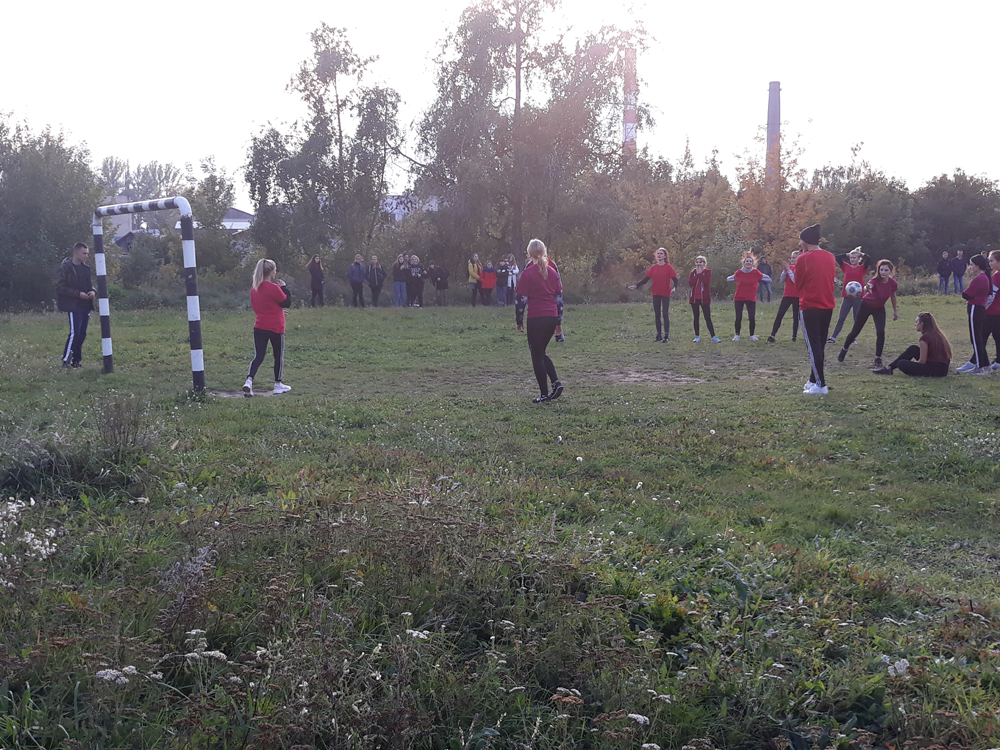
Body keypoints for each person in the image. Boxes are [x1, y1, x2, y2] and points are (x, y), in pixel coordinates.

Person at [788, 223, 836, 395]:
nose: (799, 244)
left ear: (805, 241)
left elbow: (798, 284)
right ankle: (813, 379)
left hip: (809, 306)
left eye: (800, 240)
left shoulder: (804, 258)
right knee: (819, 344)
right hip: (827, 305)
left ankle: (821, 385)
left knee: (813, 345)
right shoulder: (830, 256)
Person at [515, 239, 564, 403]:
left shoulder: (527, 274)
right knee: (541, 352)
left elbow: (520, 300)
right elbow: (559, 299)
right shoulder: (553, 272)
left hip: (536, 317)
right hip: (551, 317)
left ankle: (544, 394)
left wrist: (519, 320)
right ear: (544, 252)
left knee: (536, 355)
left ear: (529, 254)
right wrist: (559, 323)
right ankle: (556, 383)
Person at [835, 259, 899, 368]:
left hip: (879, 309)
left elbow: (893, 296)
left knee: (880, 332)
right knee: (855, 331)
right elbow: (869, 285)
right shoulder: (874, 280)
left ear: (890, 271)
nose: (883, 272)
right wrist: (867, 287)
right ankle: (844, 349)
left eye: (886, 270)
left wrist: (895, 312)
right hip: (866, 306)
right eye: (881, 270)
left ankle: (878, 358)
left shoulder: (892, 283)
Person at [243, 258, 292, 397]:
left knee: (258, 356)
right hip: (276, 327)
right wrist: (284, 287)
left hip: (260, 326)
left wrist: (277, 311)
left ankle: (249, 381)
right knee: (278, 356)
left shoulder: (254, 289)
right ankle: (278, 384)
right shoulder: (274, 287)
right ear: (272, 273)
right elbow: (286, 302)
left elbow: (263, 306)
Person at [56, 242, 96, 370]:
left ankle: (76, 361)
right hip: (73, 305)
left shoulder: (86, 269)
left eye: (87, 253)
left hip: (86, 305)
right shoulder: (65, 268)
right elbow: (60, 287)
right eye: (84, 253)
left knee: (82, 334)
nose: (87, 256)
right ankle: (65, 361)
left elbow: (90, 285)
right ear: (76, 253)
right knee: (74, 333)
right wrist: (78, 294)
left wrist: (93, 291)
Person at [873, 312, 951, 377]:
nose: (915, 324)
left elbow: (922, 361)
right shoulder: (938, 334)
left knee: (901, 363)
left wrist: (912, 365)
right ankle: (889, 368)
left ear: (922, 324)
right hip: (943, 370)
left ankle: (889, 368)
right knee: (913, 349)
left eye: (916, 322)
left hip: (934, 371)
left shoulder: (925, 338)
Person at [628, 247, 678, 342]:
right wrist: (636, 286)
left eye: (661, 254)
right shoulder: (653, 268)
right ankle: (658, 336)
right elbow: (645, 280)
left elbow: (675, 280)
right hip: (656, 293)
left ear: (665, 256)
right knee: (657, 315)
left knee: (665, 314)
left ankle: (666, 336)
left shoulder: (668, 267)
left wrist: (675, 288)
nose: (659, 255)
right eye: (658, 253)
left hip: (666, 293)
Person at [827, 247, 874, 344]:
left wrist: (861, 254)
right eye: (851, 258)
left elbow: (869, 258)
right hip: (847, 297)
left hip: (858, 298)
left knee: (856, 318)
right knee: (841, 318)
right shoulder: (846, 267)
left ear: (858, 259)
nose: (852, 260)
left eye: (855, 258)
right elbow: (836, 258)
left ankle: (853, 338)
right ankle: (833, 337)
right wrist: (847, 254)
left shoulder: (862, 268)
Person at [955, 254, 992, 374]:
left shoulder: (980, 278)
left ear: (977, 266)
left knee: (975, 338)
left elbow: (966, 294)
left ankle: (979, 366)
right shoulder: (985, 277)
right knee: (978, 337)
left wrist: (966, 292)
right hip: (979, 308)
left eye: (972, 265)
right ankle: (985, 364)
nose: (970, 267)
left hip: (975, 308)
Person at [727, 254, 770, 341]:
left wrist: (767, 279)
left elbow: (767, 278)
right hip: (739, 298)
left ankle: (752, 335)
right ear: (743, 263)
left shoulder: (756, 273)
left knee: (751, 317)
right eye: (747, 261)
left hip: (751, 298)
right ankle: (737, 335)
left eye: (750, 261)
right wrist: (729, 278)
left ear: (753, 263)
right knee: (738, 317)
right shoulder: (739, 272)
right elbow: (730, 278)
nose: (748, 263)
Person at [767, 249, 800, 343]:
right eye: (792, 257)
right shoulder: (790, 268)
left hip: (797, 295)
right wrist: (785, 271)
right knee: (780, 314)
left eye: (794, 258)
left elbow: (795, 281)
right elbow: (782, 280)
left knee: (796, 316)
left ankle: (794, 336)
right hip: (787, 294)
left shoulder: (799, 268)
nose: (792, 259)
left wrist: (789, 270)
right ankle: (772, 335)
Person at [688, 256, 719, 342]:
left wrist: (700, 274)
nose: (698, 264)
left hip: (704, 298)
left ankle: (713, 336)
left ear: (704, 263)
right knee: (696, 317)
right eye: (697, 262)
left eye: (700, 262)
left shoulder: (708, 272)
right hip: (694, 298)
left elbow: (706, 281)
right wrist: (696, 274)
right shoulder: (693, 272)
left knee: (707, 317)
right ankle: (697, 336)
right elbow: (691, 283)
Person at [982, 250, 1000, 370]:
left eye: (992, 261)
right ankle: (998, 361)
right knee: (998, 337)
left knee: (981, 337)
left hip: (992, 312)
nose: (989, 263)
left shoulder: (997, 276)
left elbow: (991, 296)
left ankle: (980, 362)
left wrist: (982, 308)